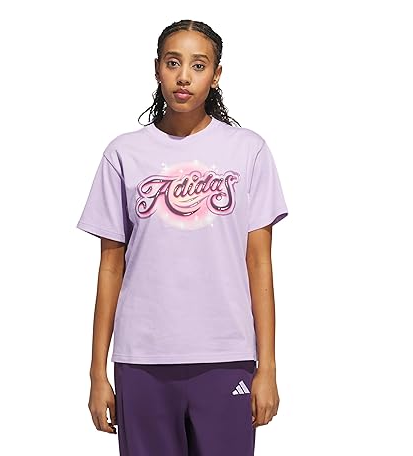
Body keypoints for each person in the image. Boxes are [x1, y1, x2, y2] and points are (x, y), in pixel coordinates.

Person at [76, 19, 288, 456]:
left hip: (226, 355)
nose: (184, 77)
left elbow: (259, 263)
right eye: (173, 63)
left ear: (217, 74)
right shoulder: (124, 153)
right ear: (157, 69)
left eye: (199, 65)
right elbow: (110, 267)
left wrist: (267, 367)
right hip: (142, 359)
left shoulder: (248, 150)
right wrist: (97, 373)